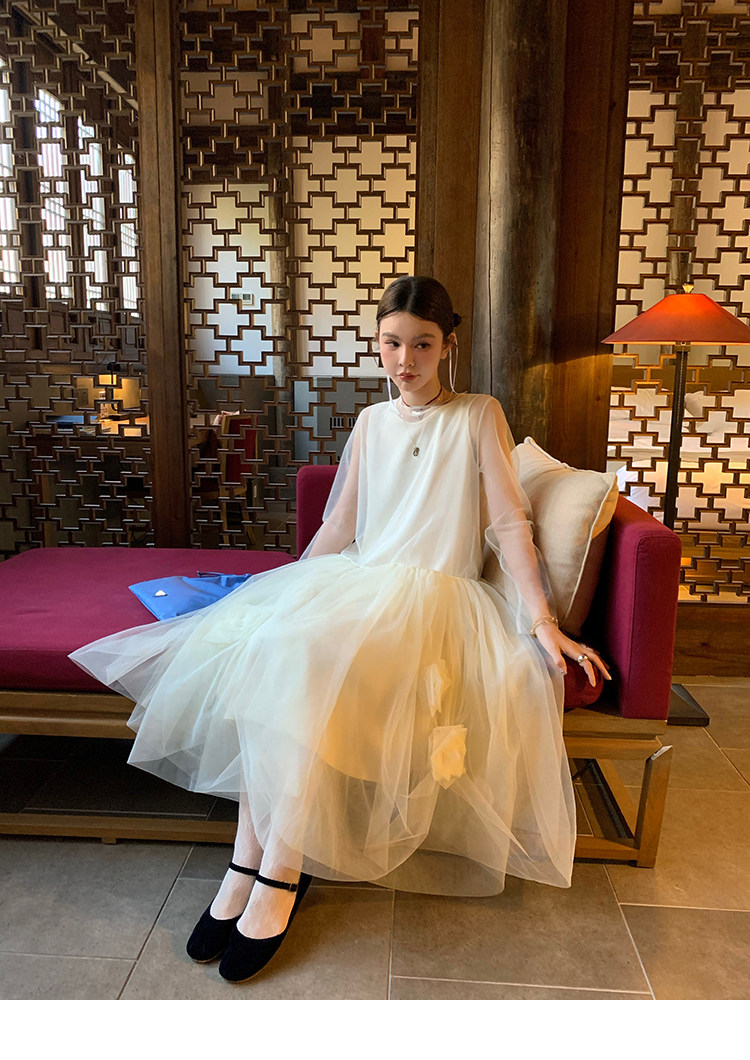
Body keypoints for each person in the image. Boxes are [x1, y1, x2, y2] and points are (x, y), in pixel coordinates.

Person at [70, 275, 609, 985]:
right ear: (377, 342)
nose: (405, 360)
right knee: (270, 640)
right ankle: (249, 860)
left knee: (304, 658)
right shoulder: (372, 421)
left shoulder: (479, 414)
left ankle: (277, 869)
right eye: (392, 343)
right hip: (361, 579)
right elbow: (342, 524)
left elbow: (510, 524)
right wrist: (284, 589)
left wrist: (541, 620)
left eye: (422, 344)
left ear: (449, 344)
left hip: (434, 596)